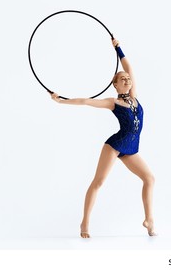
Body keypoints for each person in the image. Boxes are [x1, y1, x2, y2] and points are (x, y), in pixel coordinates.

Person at [50, 38, 156, 238]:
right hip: (115, 145)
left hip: (131, 147)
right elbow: (85, 101)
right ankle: (85, 223)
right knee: (98, 182)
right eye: (122, 79)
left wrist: (118, 48)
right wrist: (61, 101)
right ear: (115, 85)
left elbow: (129, 66)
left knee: (149, 178)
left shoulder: (134, 96)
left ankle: (149, 220)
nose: (127, 79)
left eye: (128, 78)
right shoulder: (113, 102)